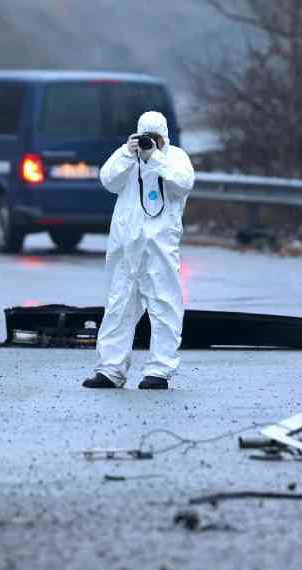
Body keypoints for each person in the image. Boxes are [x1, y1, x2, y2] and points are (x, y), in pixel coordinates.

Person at [83, 111, 195, 390]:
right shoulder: (127, 158)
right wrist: (126, 152)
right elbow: (107, 180)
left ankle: (159, 370)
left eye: (155, 138)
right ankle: (110, 370)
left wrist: (154, 159)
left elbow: (183, 184)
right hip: (126, 247)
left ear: (164, 137)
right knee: (119, 306)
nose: (150, 142)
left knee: (164, 306)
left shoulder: (175, 158)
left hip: (159, 247)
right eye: (146, 137)